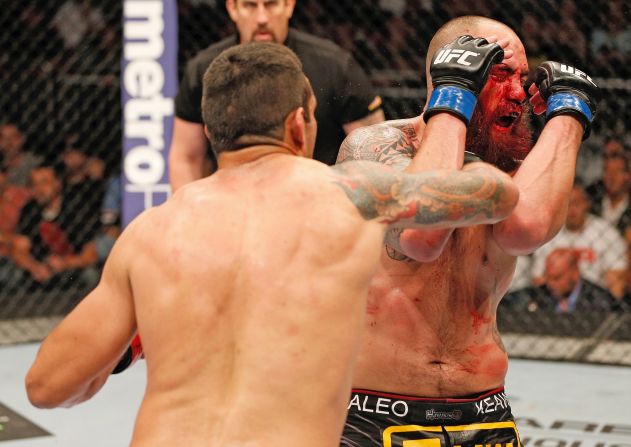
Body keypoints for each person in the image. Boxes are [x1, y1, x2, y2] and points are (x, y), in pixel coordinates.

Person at [25, 42, 519, 446]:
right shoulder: (352, 196)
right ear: (299, 125)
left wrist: (138, 336)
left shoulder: (153, 231)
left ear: (215, 133)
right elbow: (497, 196)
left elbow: (47, 386)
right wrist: (452, 100)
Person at [336, 16, 599, 446]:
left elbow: (527, 228)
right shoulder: (375, 147)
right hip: (375, 412)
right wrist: (454, 95)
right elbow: (421, 235)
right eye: (500, 74)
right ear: (451, 72)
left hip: (484, 413)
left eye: (523, 79)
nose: (518, 92)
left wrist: (568, 115)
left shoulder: (510, 163)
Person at [169, 0, 385, 190]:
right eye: (250, 5)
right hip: (233, 207)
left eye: (271, 4)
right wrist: (189, 215)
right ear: (232, 8)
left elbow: (374, 152)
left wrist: (349, 212)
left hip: (317, 202)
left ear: (289, 5)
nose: (262, 17)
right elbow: (186, 157)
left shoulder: (334, 65)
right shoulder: (205, 70)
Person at [530, 182, 627, 299]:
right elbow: (538, 278)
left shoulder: (606, 232)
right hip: (555, 298)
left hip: (596, 298)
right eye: (567, 205)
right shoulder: (549, 233)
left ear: (586, 204)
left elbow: (617, 278)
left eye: (576, 203)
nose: (572, 210)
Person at [12, 164, 100, 292]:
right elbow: (19, 250)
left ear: (58, 184)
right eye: (34, 184)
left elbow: (90, 256)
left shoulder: (76, 207)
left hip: (72, 268)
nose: (39, 189)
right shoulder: (29, 209)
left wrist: (64, 263)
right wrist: (34, 267)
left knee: (90, 274)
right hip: (41, 269)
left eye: (45, 182)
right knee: (15, 273)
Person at [505, 248, 619, 313]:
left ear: (575, 274)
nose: (550, 283)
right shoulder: (536, 295)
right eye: (547, 277)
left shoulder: (600, 300)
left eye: (557, 278)